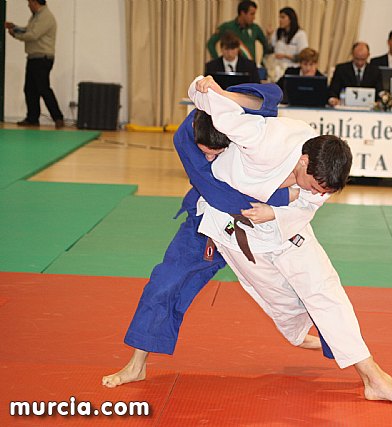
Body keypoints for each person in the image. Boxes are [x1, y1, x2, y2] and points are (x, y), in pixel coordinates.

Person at [190, 75, 392, 407]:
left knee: (326, 291)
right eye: (315, 185)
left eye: (325, 191)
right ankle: (311, 339)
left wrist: (276, 213)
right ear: (303, 162)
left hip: (283, 225)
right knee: (283, 305)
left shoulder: (324, 167)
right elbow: (213, 103)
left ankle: (373, 376)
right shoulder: (263, 140)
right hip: (233, 222)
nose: (319, 194)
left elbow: (307, 205)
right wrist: (206, 87)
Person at [101, 84, 300, 388]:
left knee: (302, 284)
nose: (210, 159)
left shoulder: (235, 116)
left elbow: (273, 94)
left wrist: (221, 94)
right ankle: (136, 364)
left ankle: (340, 348)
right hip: (212, 217)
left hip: (264, 224)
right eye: (207, 153)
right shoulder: (185, 137)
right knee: (164, 283)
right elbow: (219, 195)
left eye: (218, 153)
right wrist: (285, 197)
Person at [4, 0, 64, 129]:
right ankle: (32, 118)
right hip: (34, 58)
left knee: (43, 88)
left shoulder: (46, 16)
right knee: (30, 89)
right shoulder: (36, 16)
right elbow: (27, 29)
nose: (28, 5)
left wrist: (15, 35)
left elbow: (33, 35)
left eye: (29, 2)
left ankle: (58, 118)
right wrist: (14, 26)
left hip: (42, 58)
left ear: (35, 2)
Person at [206, 0, 270, 63]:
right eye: (252, 14)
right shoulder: (227, 27)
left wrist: (263, 63)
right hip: (231, 67)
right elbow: (210, 44)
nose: (254, 17)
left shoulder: (255, 28)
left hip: (250, 68)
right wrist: (218, 62)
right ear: (242, 13)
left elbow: (266, 46)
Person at [328, 42, 382, 106]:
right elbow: (333, 90)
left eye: (363, 59)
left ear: (368, 55)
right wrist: (333, 99)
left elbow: (380, 92)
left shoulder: (375, 71)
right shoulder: (341, 69)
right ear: (352, 55)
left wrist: (379, 102)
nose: (360, 63)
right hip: (345, 107)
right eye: (357, 59)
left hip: (368, 108)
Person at [269, 7, 308, 81]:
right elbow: (270, 49)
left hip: (292, 69)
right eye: (279, 17)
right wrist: (268, 36)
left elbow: (304, 56)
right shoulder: (278, 32)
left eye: (283, 17)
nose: (280, 20)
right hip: (276, 70)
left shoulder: (300, 34)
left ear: (291, 19)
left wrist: (285, 56)